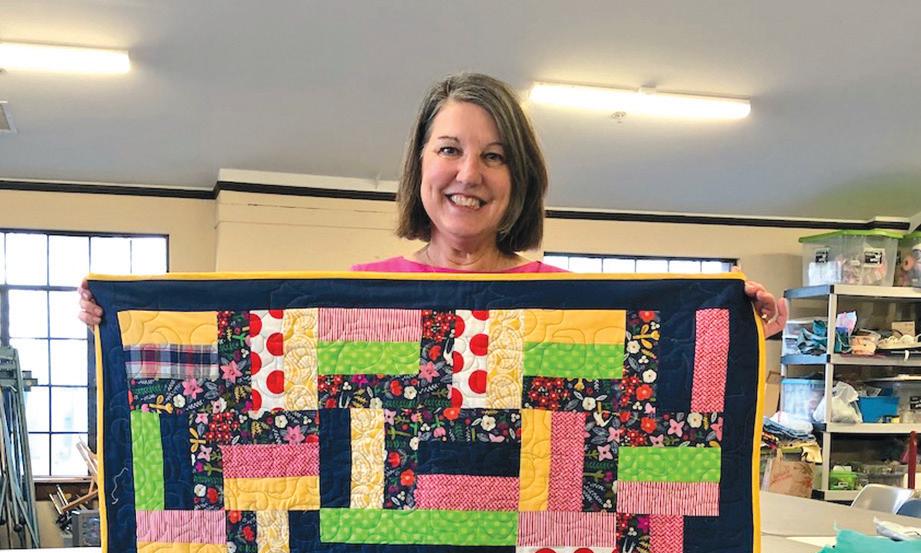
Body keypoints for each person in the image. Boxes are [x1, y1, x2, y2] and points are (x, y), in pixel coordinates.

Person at [79, 72, 787, 331]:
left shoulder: (568, 304)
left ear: (520, 177)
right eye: (449, 148)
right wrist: (127, 320)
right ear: (419, 164)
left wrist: (732, 317)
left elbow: (662, 373)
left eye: (494, 155)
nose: (468, 173)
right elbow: (246, 380)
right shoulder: (361, 296)